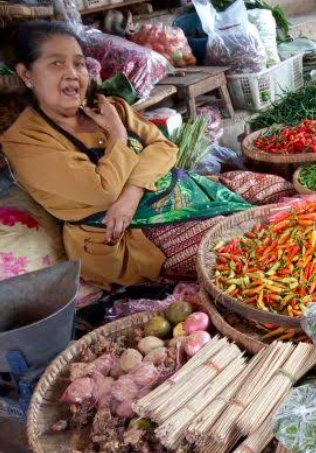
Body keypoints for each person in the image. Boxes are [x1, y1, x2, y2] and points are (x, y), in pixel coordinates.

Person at [0, 21, 250, 289]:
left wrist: (132, 191)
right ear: (27, 74)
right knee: (245, 242)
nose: (73, 74)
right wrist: (119, 136)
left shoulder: (108, 108)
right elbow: (102, 191)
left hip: (173, 194)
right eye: (56, 64)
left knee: (275, 192)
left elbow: (164, 148)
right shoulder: (25, 141)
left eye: (79, 63)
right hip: (123, 239)